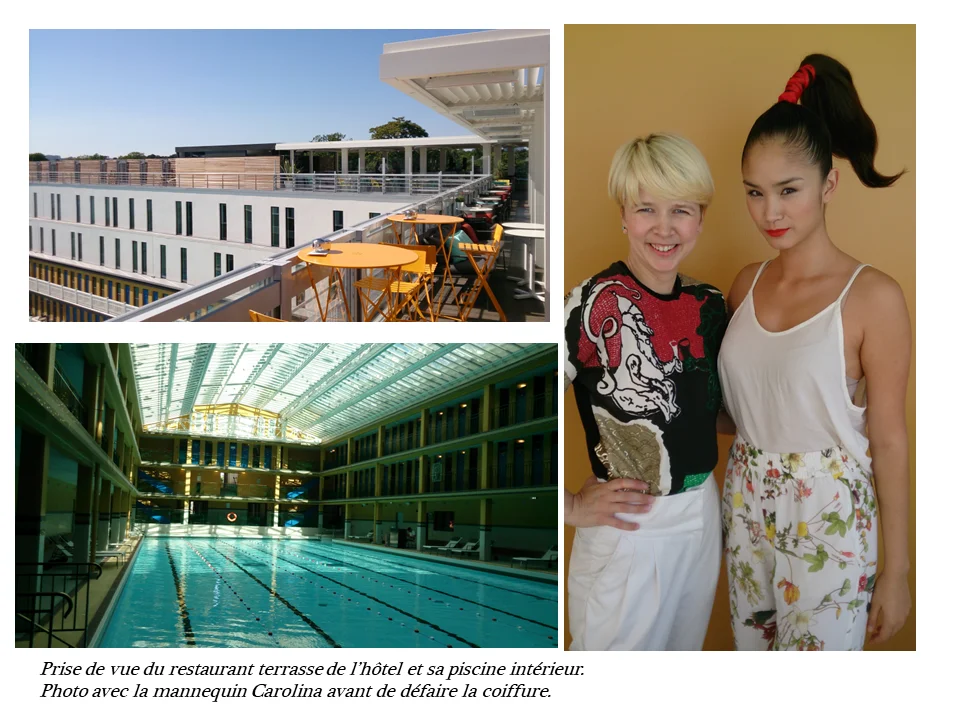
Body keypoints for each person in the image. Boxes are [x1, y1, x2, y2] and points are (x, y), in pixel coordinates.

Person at [718, 54, 912, 650]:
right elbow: (735, 412)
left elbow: (888, 439)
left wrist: (898, 571)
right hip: (744, 503)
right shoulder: (744, 286)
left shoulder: (873, 297)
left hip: (828, 515)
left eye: (788, 190)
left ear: (828, 185)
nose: (770, 212)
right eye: (754, 193)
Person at [564, 133, 728, 650]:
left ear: (700, 218)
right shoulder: (588, 305)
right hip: (630, 528)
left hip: (702, 514)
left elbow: (714, 411)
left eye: (681, 210)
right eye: (646, 209)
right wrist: (568, 507)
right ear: (623, 215)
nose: (664, 227)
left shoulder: (711, 305)